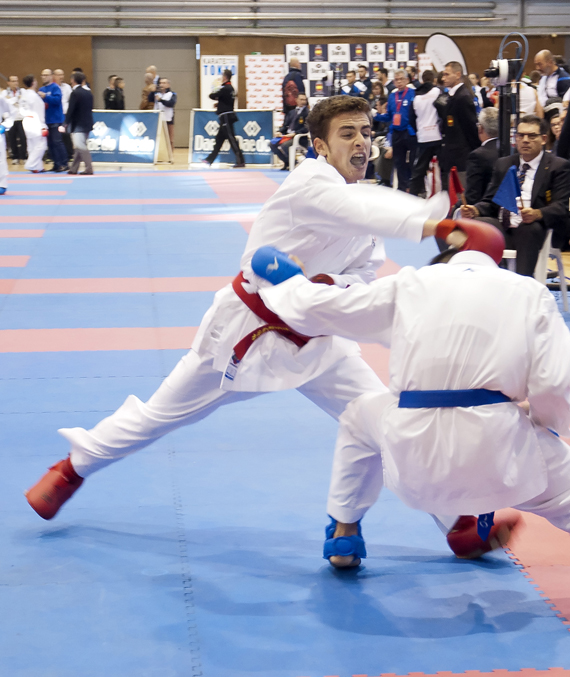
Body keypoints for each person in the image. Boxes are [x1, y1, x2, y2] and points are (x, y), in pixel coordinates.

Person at [250, 226, 570, 642]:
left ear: (447, 258)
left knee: (358, 417)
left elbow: (318, 309)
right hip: (498, 444)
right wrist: (543, 427)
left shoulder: (413, 284)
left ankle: (343, 534)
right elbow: (553, 381)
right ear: (497, 260)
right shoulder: (528, 292)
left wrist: (282, 275)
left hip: (411, 448)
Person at [25, 95, 456, 525]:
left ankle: (457, 520)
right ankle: (70, 470)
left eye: (365, 132)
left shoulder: (363, 204)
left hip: (319, 338)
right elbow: (357, 210)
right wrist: (435, 223)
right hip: (245, 334)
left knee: (383, 419)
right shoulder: (311, 183)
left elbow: (363, 271)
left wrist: (326, 284)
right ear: (320, 146)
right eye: (347, 134)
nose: (361, 142)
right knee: (158, 416)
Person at [461, 115, 570, 275]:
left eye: (531, 136)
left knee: (529, 228)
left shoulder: (558, 166)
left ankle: (523, 283)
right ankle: (480, 280)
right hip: (503, 226)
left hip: (534, 229)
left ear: (543, 139)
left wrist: (537, 213)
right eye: (520, 135)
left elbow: (561, 206)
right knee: (476, 224)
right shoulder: (504, 164)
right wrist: (475, 210)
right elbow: (491, 202)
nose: (525, 140)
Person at [435, 61, 480, 192]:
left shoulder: (463, 97)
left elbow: (470, 128)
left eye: (446, 74)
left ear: (458, 74)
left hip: (461, 155)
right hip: (451, 154)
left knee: (460, 193)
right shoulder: (451, 96)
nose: (443, 78)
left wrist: (473, 152)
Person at [373, 69, 417, 192]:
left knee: (413, 162)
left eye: (401, 79)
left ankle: (414, 188)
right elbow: (389, 116)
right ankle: (402, 188)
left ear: (407, 80)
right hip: (397, 133)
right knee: (399, 163)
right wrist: (376, 115)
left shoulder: (413, 93)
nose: (399, 82)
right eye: (396, 80)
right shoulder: (392, 96)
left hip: (410, 132)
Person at [407, 69, 442, 197]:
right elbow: (443, 111)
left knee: (419, 171)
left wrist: (419, 130)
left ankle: (413, 197)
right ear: (434, 80)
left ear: (422, 80)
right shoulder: (437, 92)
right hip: (437, 135)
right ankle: (445, 197)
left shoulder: (416, 97)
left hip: (423, 137)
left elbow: (411, 118)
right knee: (443, 169)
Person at [203, 69, 246, 168]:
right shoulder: (230, 88)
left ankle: (240, 161)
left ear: (225, 77)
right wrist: (219, 104)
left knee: (231, 138)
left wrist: (217, 88)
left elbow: (212, 95)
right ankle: (209, 159)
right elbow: (227, 100)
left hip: (226, 116)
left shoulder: (225, 88)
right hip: (225, 116)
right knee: (219, 139)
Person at [463, 106, 499, 206]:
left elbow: (472, 196)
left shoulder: (478, 156)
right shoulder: (512, 149)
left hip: (484, 210)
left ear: (480, 128)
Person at [38, 68, 68, 172]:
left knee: (57, 142)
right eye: (42, 75)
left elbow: (57, 100)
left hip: (56, 119)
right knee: (50, 143)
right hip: (47, 120)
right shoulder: (42, 88)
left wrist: (46, 96)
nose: (44, 77)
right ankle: (56, 163)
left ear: (51, 76)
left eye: (46, 75)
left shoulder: (55, 87)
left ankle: (64, 163)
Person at [65, 71, 94, 175]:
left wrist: (65, 123)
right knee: (78, 147)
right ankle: (74, 168)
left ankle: (89, 168)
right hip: (87, 123)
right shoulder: (88, 92)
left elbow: (71, 110)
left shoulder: (75, 93)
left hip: (78, 124)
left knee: (80, 146)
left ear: (72, 80)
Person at [270, 93, 309, 169]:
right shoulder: (291, 112)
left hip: (299, 137)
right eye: (301, 99)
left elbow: (306, 127)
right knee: (272, 144)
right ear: (296, 100)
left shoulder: (308, 113)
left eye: (305, 100)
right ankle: (287, 162)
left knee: (285, 145)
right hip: (287, 136)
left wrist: (295, 134)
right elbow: (285, 126)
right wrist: (279, 132)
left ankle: (293, 163)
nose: (303, 101)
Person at [19, 75, 48, 173]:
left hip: (26, 121)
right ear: (33, 83)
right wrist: (43, 126)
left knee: (32, 145)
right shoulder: (34, 96)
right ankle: (30, 164)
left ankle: (37, 167)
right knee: (41, 145)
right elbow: (39, 112)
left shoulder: (24, 95)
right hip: (35, 122)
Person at [1, 76, 27, 165]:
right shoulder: (4, 93)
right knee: (12, 139)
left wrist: (12, 100)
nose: (15, 83)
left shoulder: (22, 91)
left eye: (16, 81)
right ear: (8, 83)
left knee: (23, 138)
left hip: (21, 118)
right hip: (10, 119)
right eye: (13, 81)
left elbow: (24, 103)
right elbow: (4, 106)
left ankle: (24, 157)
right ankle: (15, 157)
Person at [54, 69, 73, 161]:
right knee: (55, 136)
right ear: (54, 76)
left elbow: (71, 99)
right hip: (55, 114)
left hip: (64, 114)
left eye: (62, 74)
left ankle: (69, 155)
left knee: (66, 134)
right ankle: (54, 156)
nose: (61, 77)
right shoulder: (52, 87)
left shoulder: (67, 87)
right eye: (58, 75)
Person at [153, 78, 177, 150]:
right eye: (160, 83)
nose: (162, 85)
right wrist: (153, 90)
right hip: (158, 118)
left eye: (164, 83)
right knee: (158, 137)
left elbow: (171, 103)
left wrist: (161, 100)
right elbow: (149, 99)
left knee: (169, 139)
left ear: (168, 85)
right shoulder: (156, 94)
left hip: (168, 119)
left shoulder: (172, 94)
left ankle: (170, 156)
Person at [0, 95, 10, 195]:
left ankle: (2, 184)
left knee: (1, 159)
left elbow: (11, 113)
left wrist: (5, 125)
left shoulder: (1, 99)